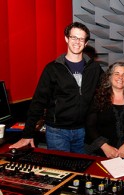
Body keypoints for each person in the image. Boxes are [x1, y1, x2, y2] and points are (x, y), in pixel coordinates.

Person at [9, 22, 104, 154]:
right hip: (57, 132)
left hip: (83, 131)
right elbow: (38, 102)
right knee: (60, 168)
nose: (77, 42)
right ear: (66, 39)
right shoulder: (52, 69)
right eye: (74, 37)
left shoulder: (94, 68)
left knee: (80, 171)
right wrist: (27, 134)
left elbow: (109, 83)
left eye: (81, 39)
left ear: (86, 43)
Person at [85, 62, 124, 163]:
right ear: (109, 77)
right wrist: (105, 147)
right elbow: (90, 126)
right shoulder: (98, 98)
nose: (120, 77)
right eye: (116, 73)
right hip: (103, 147)